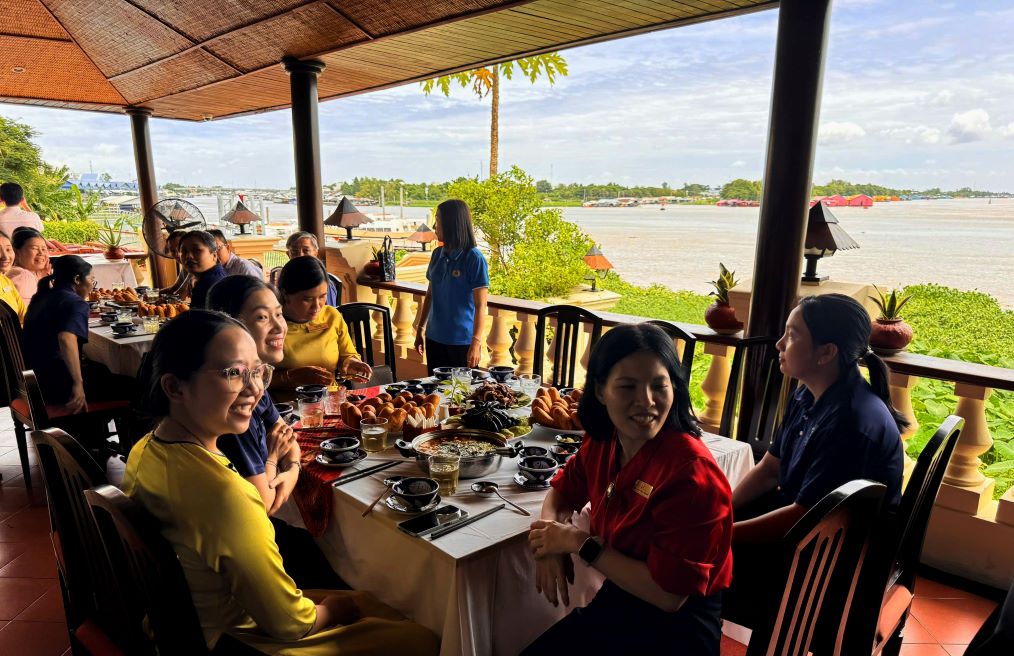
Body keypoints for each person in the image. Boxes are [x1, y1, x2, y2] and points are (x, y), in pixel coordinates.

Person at [123, 311, 439, 654]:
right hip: (233, 640)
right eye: (233, 374)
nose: (256, 389)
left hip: (182, 623)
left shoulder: (147, 450)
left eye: (257, 372)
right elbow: (289, 624)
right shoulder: (223, 493)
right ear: (174, 387)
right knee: (421, 637)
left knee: (371, 602)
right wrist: (331, 611)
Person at [523, 324, 733, 655]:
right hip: (621, 604)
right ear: (600, 390)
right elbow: (563, 491)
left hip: (675, 633)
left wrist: (578, 542)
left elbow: (669, 596)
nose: (646, 402)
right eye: (627, 387)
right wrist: (549, 538)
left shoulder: (692, 476)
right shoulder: (605, 440)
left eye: (659, 386)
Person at [723, 293, 905, 627]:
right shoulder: (809, 391)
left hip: (832, 560)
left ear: (826, 352)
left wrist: (721, 536)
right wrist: (722, 514)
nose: (779, 344)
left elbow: (805, 517)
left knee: (695, 565)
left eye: (792, 335)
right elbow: (769, 469)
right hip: (808, 529)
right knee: (700, 526)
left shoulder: (850, 423)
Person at [207, 276, 345, 590]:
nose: (279, 326)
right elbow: (267, 503)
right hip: (248, 556)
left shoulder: (255, 379)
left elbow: (286, 435)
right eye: (261, 317)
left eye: (278, 314)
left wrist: (291, 466)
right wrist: (274, 460)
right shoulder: (232, 403)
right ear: (228, 327)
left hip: (260, 528)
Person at [22, 255, 128, 412]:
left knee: (102, 369)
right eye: (92, 280)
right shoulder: (75, 302)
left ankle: (95, 431)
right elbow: (66, 339)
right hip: (57, 386)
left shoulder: (41, 297)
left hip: (34, 380)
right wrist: (78, 384)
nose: (93, 285)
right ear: (77, 279)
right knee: (138, 385)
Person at [272, 256, 371, 392]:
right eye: (308, 299)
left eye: (322, 296)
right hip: (288, 407)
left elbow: (347, 354)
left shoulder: (331, 316)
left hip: (331, 401)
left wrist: (351, 363)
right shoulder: (270, 325)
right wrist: (290, 377)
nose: (317, 306)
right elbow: (252, 378)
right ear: (285, 294)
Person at [413, 200, 489, 372]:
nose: (434, 225)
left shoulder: (473, 258)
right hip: (434, 338)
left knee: (461, 395)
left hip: (461, 342)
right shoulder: (436, 254)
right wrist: (420, 329)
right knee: (436, 393)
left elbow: (481, 304)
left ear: (451, 223)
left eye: (438, 220)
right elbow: (430, 295)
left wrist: (476, 342)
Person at [274, 231, 339, 306]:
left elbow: (328, 312)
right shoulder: (285, 278)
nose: (300, 255)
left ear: (315, 253)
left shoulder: (323, 283)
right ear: (288, 254)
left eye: (306, 251)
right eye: (294, 251)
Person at [180, 230, 226, 310]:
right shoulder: (207, 278)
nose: (188, 256)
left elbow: (200, 321)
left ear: (214, 255)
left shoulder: (211, 283)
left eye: (196, 250)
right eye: (184, 251)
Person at [7, 227, 51, 303]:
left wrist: (40, 279)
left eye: (44, 249)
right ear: (16, 253)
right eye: (34, 248)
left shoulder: (17, 272)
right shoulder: (23, 276)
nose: (41, 253)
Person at [0, 230, 26, 322]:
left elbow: (25, 317)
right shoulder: (22, 275)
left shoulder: (6, 281)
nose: (6, 257)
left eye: (8, 249)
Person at [161, 230, 193, 298]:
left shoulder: (195, 266)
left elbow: (180, 295)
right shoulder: (185, 266)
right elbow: (175, 287)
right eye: (173, 251)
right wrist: (154, 293)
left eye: (179, 248)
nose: (177, 254)